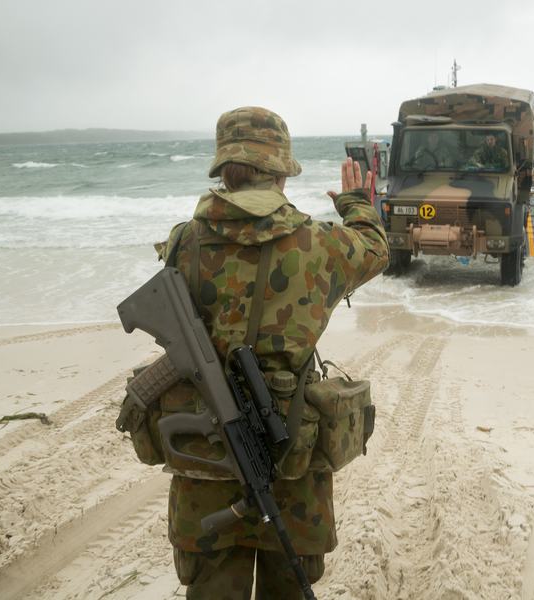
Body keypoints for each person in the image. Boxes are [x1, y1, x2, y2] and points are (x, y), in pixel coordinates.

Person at [152, 106, 388, 599]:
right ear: (281, 172)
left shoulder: (183, 241)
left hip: (205, 464)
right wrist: (356, 202)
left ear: (224, 169)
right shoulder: (319, 244)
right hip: (291, 465)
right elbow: (375, 247)